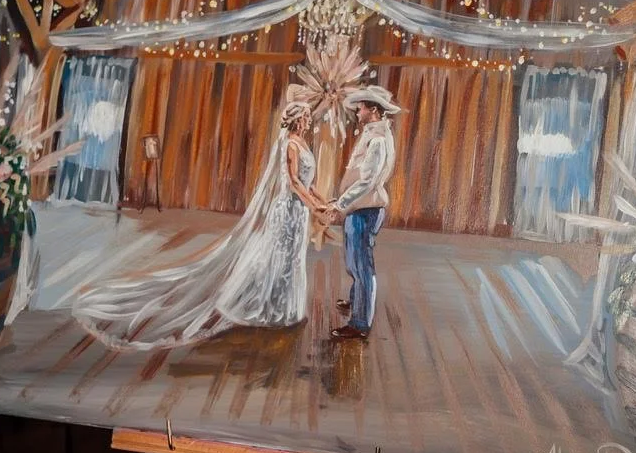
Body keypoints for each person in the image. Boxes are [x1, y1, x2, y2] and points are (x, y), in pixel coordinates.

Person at [72, 100, 324, 350]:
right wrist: (313, 205)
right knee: (280, 255)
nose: (308, 120)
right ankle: (267, 306)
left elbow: (307, 181)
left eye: (308, 117)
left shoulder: (302, 143)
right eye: (305, 116)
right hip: (288, 209)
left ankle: (285, 307)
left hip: (299, 211)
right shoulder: (290, 144)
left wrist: (322, 203)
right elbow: (293, 182)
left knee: (291, 256)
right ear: (296, 119)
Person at [320, 86, 399, 340]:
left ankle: (360, 322)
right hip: (360, 207)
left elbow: (367, 182)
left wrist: (340, 204)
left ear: (373, 110)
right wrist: (342, 201)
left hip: (365, 209)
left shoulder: (376, 140)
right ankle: (357, 302)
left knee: (362, 265)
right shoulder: (373, 135)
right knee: (355, 261)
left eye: (361, 107)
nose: (357, 110)